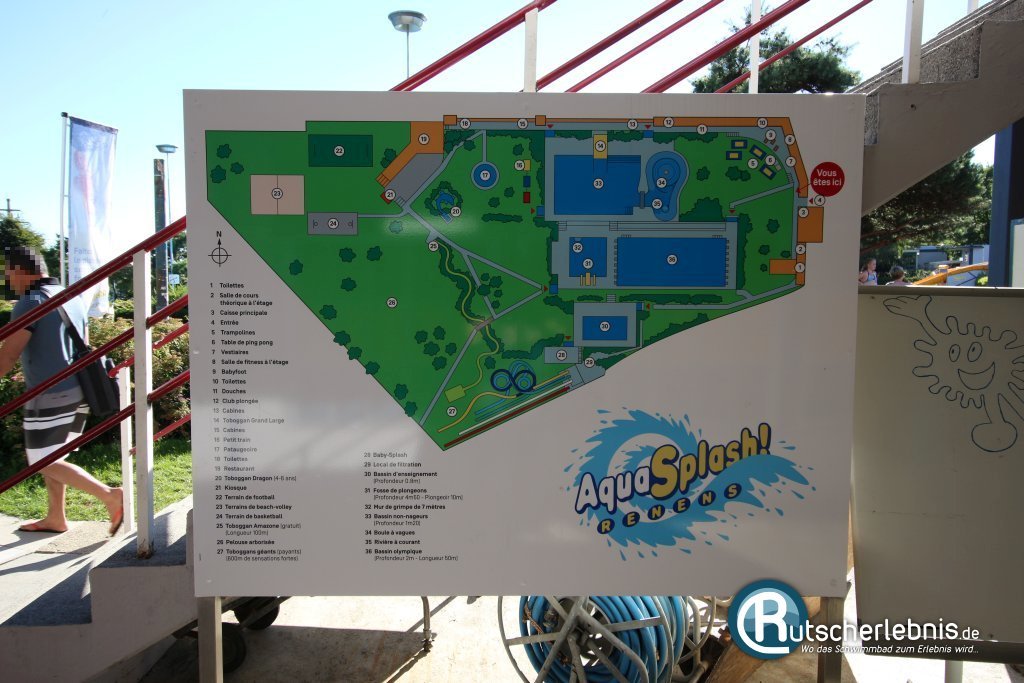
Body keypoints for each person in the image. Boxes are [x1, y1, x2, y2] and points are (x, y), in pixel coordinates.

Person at [0, 246, 122, 534]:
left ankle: (109, 495)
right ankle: (56, 517)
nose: (8, 280)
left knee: (41, 462)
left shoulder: (30, 302)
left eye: (8, 274)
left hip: (49, 393)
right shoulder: (69, 296)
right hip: (78, 389)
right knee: (53, 456)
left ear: (19, 271)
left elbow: (9, 353)